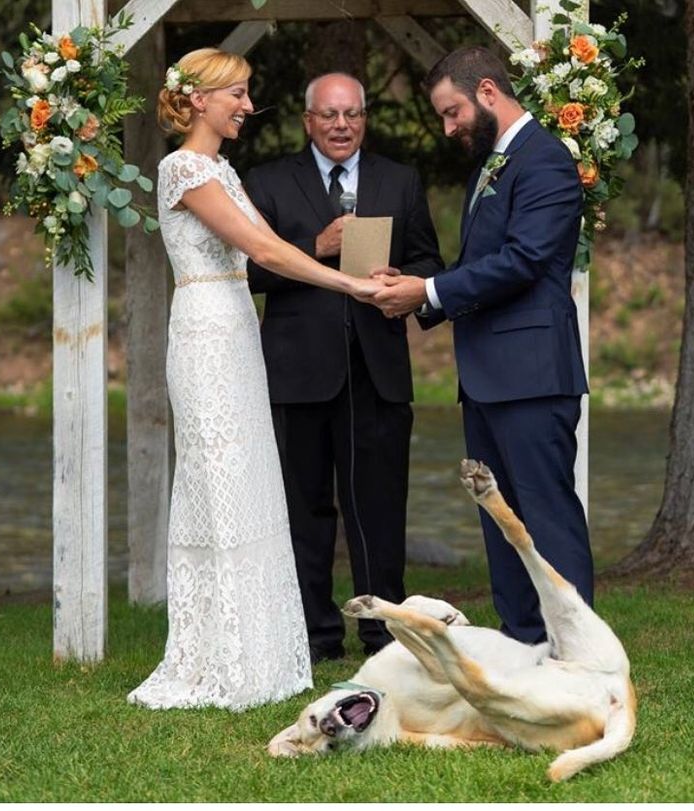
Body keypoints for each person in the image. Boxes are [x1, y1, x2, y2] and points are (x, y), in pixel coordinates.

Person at [127, 49, 383, 711]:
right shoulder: (182, 167)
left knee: (249, 479)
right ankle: (218, 653)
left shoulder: (221, 167)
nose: (246, 105)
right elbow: (266, 252)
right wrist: (351, 282)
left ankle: (259, 647)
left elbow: (274, 243)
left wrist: (345, 258)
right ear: (202, 99)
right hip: (206, 330)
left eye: (247, 93)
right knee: (218, 480)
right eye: (237, 94)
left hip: (240, 327)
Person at [372, 47, 593, 645]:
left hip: (532, 374)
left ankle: (576, 654)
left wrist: (430, 289)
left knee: (546, 515)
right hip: (489, 376)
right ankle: (524, 642)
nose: (448, 128)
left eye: (452, 112)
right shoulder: (492, 165)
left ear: (488, 92)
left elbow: (523, 261)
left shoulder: (544, 160)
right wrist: (417, 291)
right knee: (501, 519)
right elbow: (480, 265)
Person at [245, 73, 443, 663]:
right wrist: (315, 248)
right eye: (329, 115)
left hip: (377, 371)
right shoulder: (269, 182)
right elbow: (250, 274)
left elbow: (429, 259)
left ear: (365, 119)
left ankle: (386, 635)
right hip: (298, 374)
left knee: (378, 509)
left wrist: (401, 280)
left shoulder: (400, 181)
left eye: (352, 114)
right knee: (305, 511)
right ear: (308, 120)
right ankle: (314, 635)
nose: (341, 125)